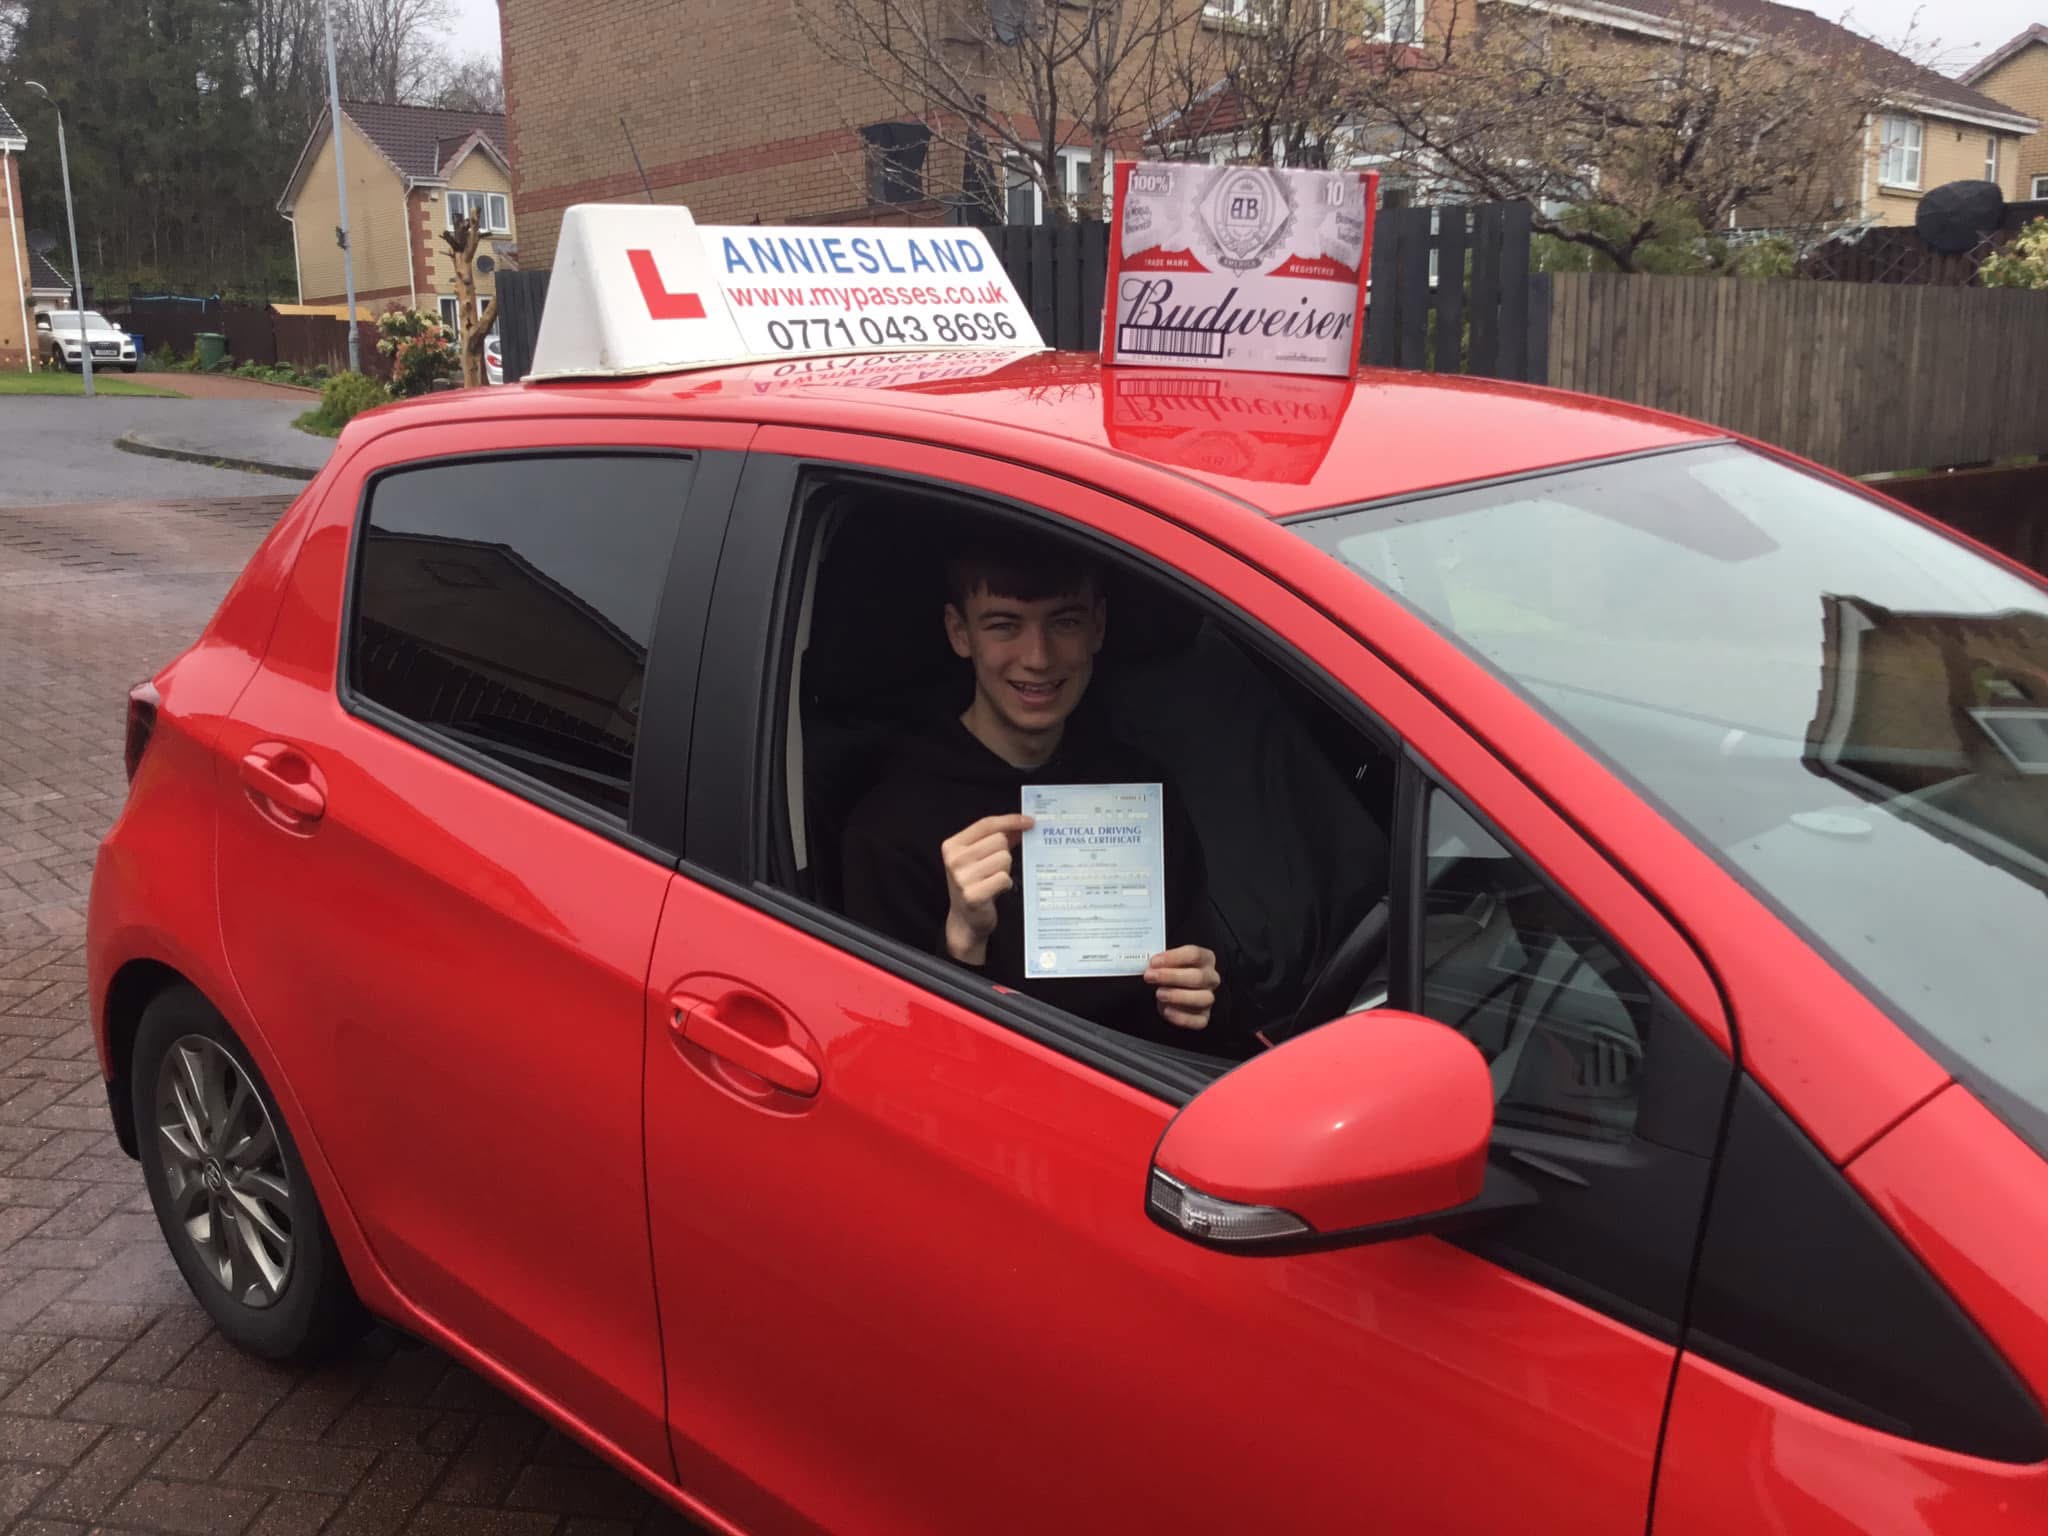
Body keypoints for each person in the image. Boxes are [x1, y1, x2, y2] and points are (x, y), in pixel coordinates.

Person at [840, 531, 1238, 1052]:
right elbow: (898, 1054)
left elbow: (1198, 980)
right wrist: (961, 941)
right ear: (960, 634)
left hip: (1147, 1087)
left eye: (1064, 622)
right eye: (1004, 625)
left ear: (1098, 626)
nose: (1039, 657)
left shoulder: (1140, 788)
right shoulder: (889, 824)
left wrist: (1202, 991)